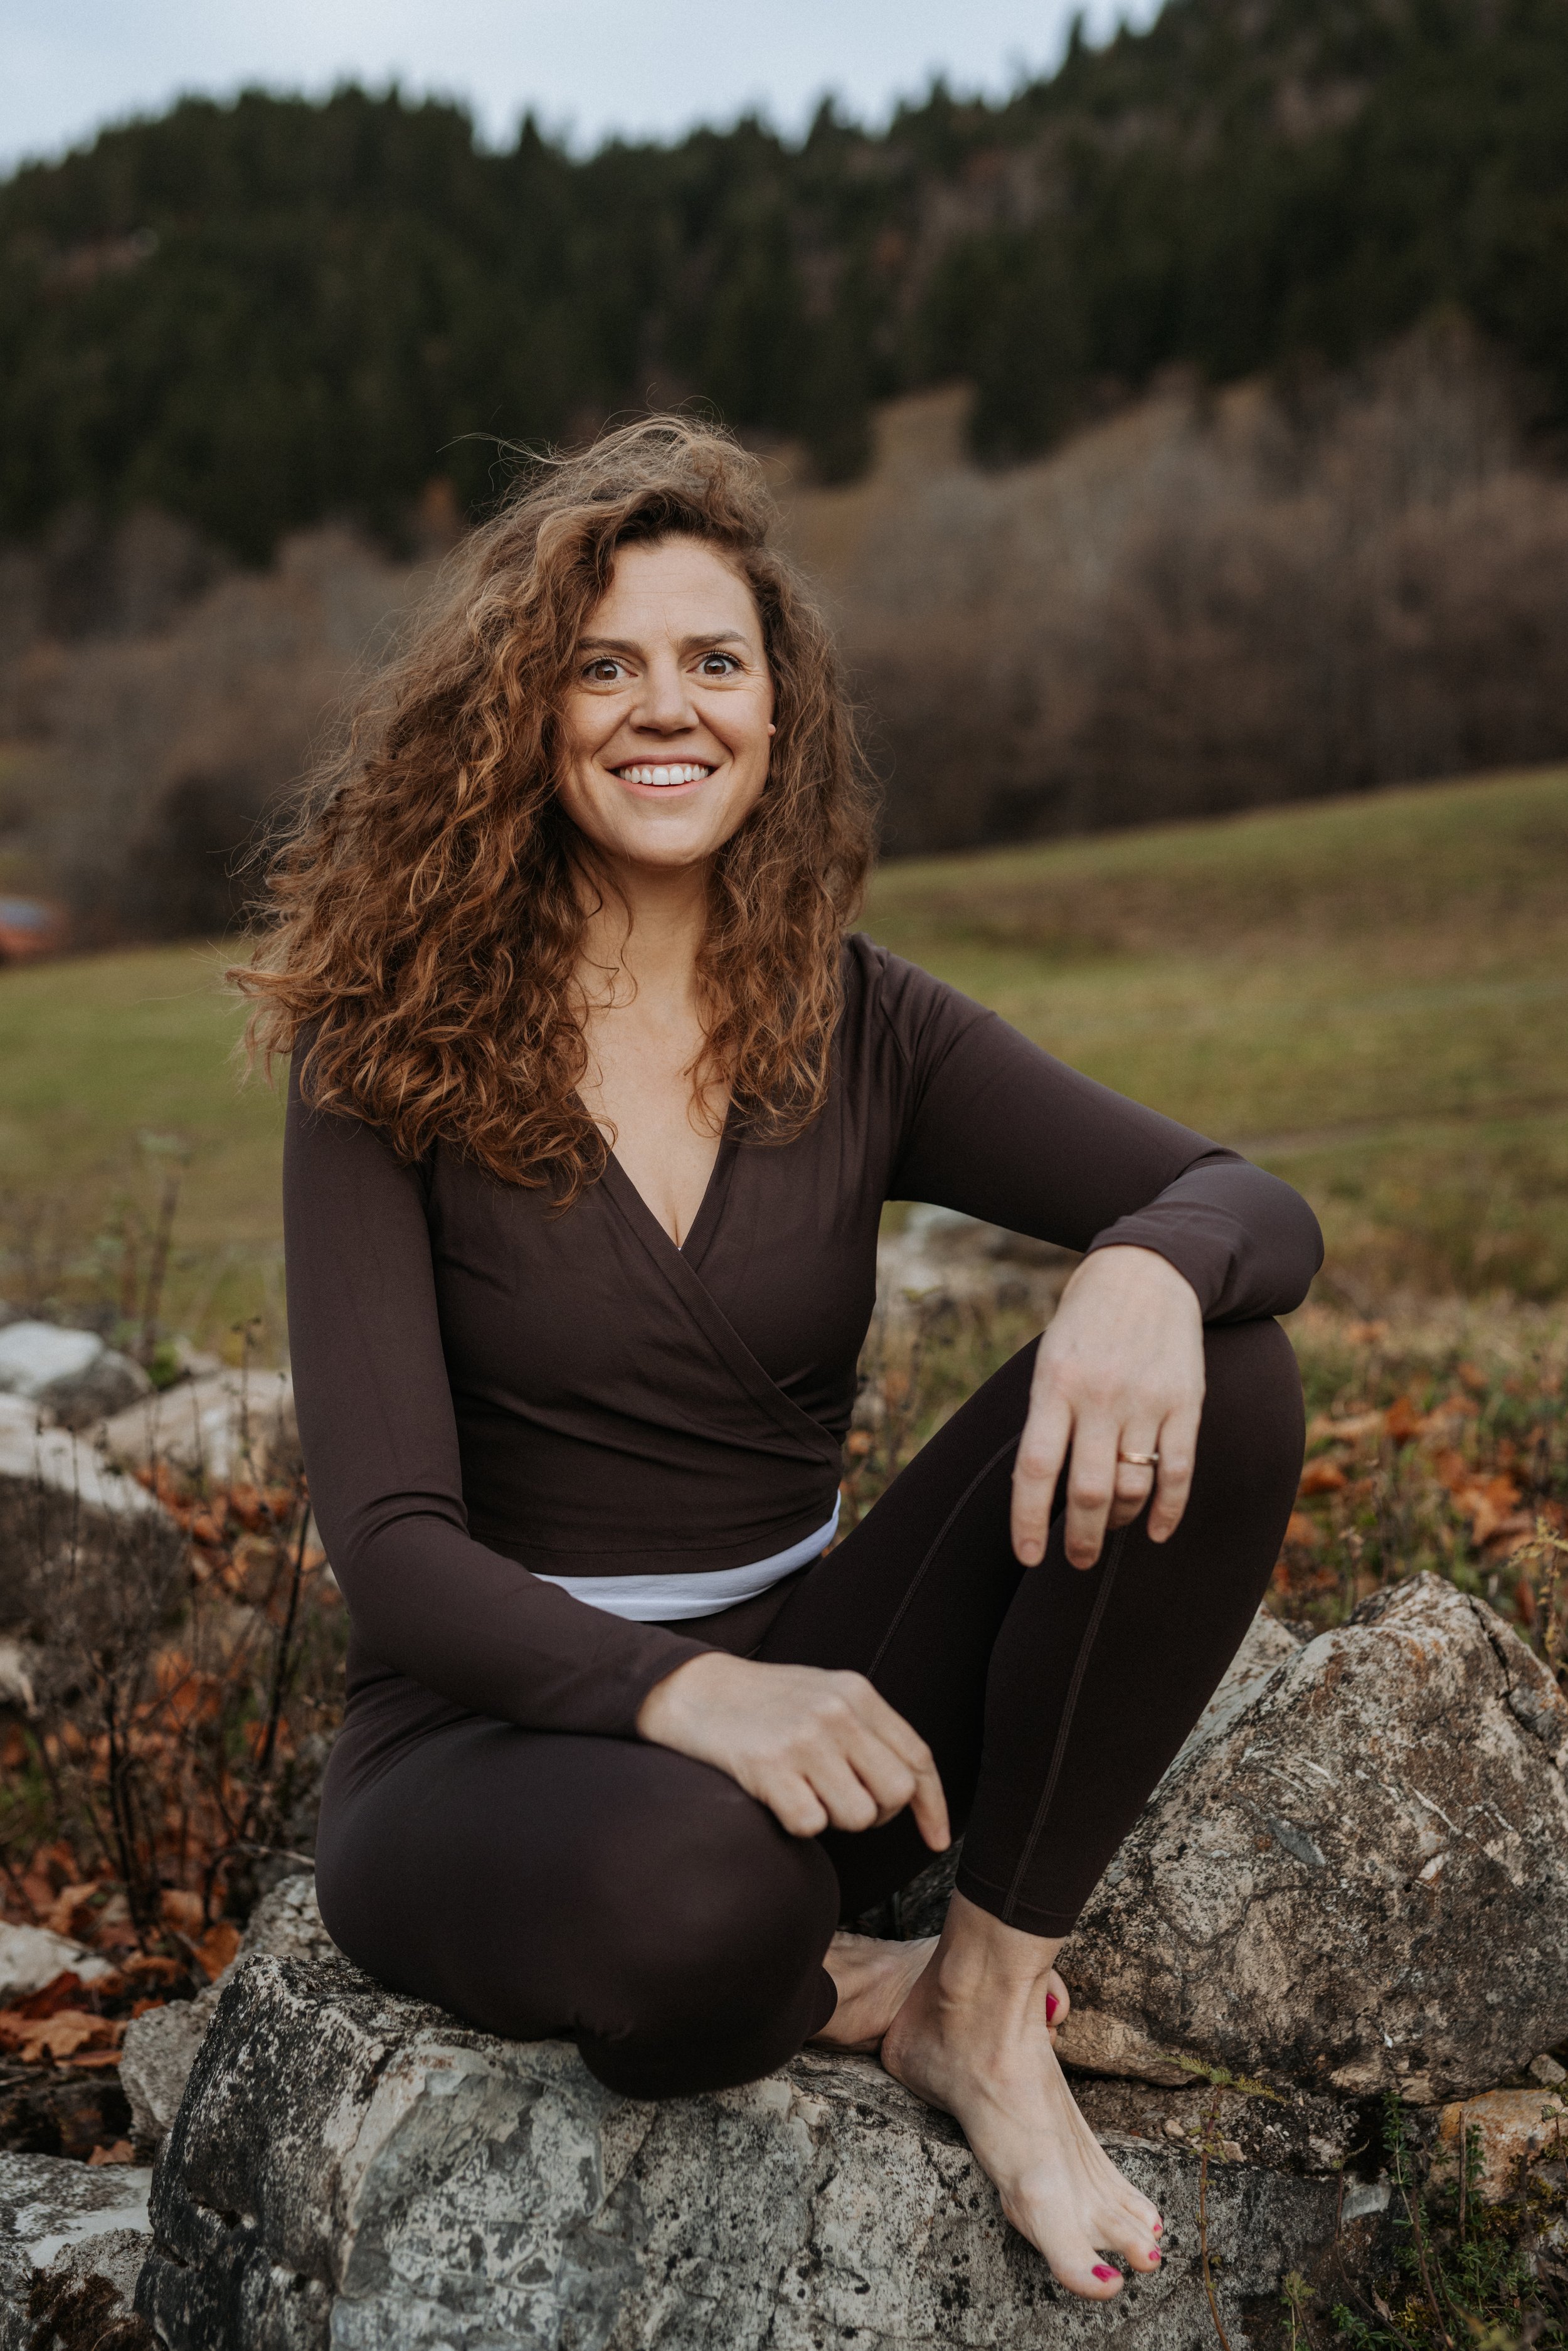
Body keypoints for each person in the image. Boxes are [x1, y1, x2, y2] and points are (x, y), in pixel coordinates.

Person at [239, 418, 1319, 2303]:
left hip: (824, 1674)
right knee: (701, 1901)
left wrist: (1145, 1262)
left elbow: (1247, 1200)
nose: (668, 709)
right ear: (523, 710)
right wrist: (687, 1698)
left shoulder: (853, 1012)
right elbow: (394, 1545)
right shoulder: (383, 1049)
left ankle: (977, 2003)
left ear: (776, 708)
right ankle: (840, 1969)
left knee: (1228, 1362)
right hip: (493, 1737)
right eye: (605, 663)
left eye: (713, 660)